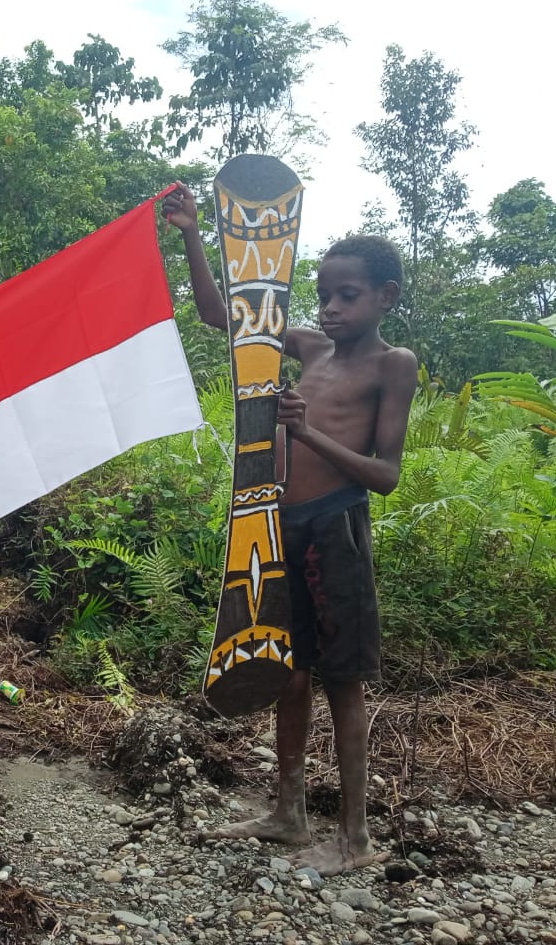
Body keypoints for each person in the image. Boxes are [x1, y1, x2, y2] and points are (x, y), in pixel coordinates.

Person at [162, 186, 418, 876]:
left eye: (348, 296)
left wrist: (303, 430)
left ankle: (357, 840)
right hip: (282, 528)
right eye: (324, 294)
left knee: (344, 683)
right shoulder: (309, 346)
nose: (331, 308)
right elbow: (224, 318)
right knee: (289, 674)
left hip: (338, 528)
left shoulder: (392, 364)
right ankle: (288, 813)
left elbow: (384, 474)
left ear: (385, 297)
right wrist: (192, 233)